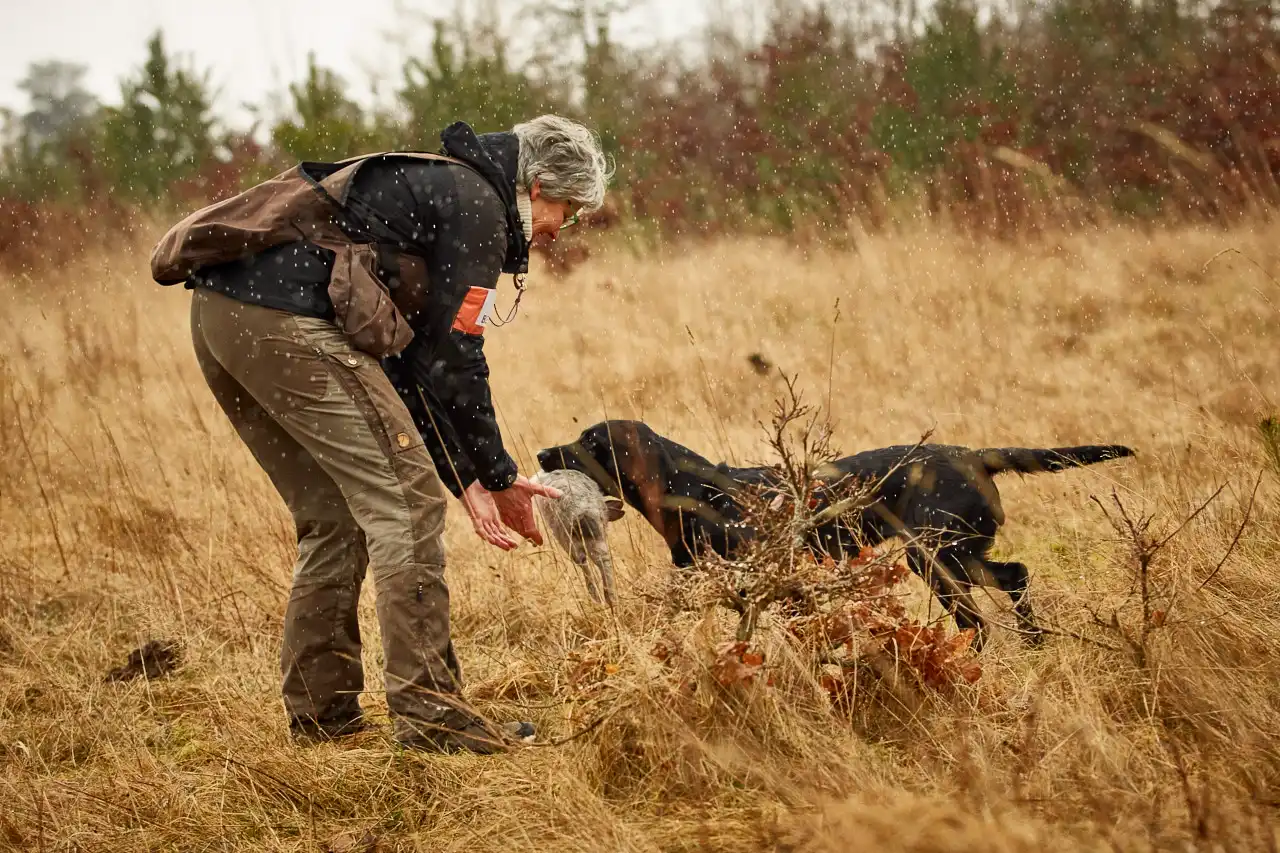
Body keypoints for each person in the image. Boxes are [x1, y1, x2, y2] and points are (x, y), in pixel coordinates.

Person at [150, 115, 612, 754]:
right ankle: (433, 716)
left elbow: (409, 360)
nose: (565, 229)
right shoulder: (479, 205)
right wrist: (498, 475)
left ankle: (322, 716)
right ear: (537, 186)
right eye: (570, 209)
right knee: (407, 504)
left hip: (225, 321)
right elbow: (454, 355)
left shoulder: (446, 193)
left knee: (336, 514)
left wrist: (470, 477)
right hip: (285, 325)